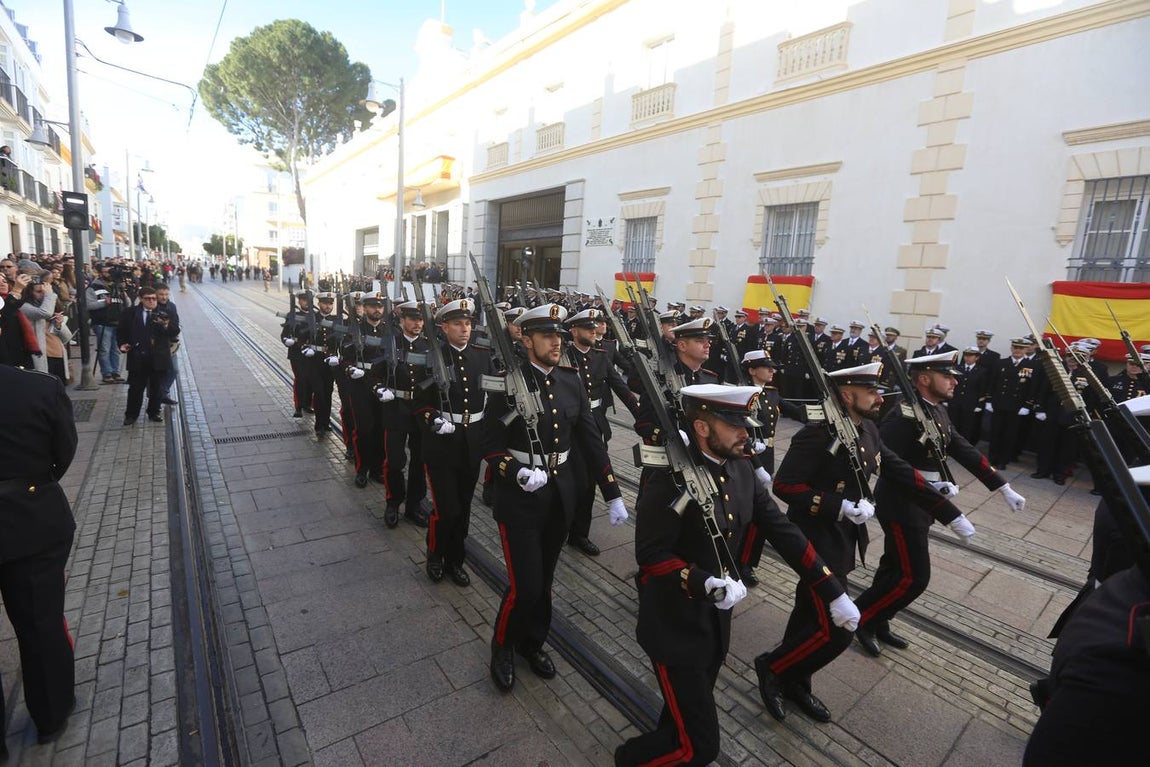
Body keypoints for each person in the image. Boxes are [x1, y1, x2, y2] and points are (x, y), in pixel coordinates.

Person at [616, 384, 849, 767]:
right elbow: (651, 555)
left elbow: (782, 530)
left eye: (747, 423)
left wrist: (831, 590)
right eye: (734, 425)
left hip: (715, 624)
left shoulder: (739, 468)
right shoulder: (670, 477)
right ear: (703, 428)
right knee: (700, 748)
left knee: (683, 720)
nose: (747, 433)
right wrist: (700, 582)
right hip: (674, 627)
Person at [753, 362, 966, 723]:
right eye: (871, 392)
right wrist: (839, 506)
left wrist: (949, 512)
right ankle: (772, 667)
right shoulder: (818, 434)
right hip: (814, 539)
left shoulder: (867, 428)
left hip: (844, 539)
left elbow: (899, 471)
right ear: (847, 394)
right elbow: (785, 486)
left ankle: (794, 681)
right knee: (837, 629)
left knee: (809, 612)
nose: (879, 398)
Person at [484, 303, 628, 692]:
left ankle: (533, 644)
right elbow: (490, 443)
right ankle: (502, 645)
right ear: (526, 339)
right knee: (524, 585)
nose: (556, 342)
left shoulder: (570, 380)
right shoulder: (506, 381)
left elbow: (590, 439)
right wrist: (514, 472)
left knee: (545, 581)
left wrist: (612, 491)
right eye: (547, 335)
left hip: (560, 492)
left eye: (559, 336)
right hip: (519, 497)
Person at [852, 351, 1026, 657]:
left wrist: (1002, 485)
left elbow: (962, 447)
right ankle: (861, 619)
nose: (954, 381)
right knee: (914, 577)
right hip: (902, 504)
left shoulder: (936, 411)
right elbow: (883, 462)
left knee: (894, 567)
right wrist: (931, 486)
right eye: (947, 375)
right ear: (924, 379)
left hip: (924, 504)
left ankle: (879, 620)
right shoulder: (904, 415)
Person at [0, 362, 78, 753]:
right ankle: (50, 715)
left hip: (32, 522)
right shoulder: (38, 387)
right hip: (31, 519)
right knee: (41, 622)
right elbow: (62, 451)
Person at [416, 298, 493, 586]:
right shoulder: (432, 356)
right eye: (458, 324)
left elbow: (494, 398)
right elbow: (420, 403)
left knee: (463, 509)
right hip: (441, 445)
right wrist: (433, 419)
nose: (465, 329)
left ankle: (455, 561)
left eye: (468, 323)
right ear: (444, 326)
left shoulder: (482, 356)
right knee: (446, 509)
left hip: (472, 443)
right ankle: (435, 555)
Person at [373, 300, 430, 528]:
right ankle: (393, 501)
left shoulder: (430, 346)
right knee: (395, 460)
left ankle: (414, 505)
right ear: (402, 320)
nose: (417, 324)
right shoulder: (390, 343)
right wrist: (379, 389)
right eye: (413, 319)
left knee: (419, 461)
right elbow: (375, 374)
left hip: (420, 411)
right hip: (396, 409)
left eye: (420, 319)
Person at [117, 287, 177, 425]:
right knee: (136, 388)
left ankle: (154, 412)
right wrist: (122, 344)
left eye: (153, 298)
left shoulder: (166, 312)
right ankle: (131, 415)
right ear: (141, 299)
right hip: (138, 357)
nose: (151, 301)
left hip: (159, 357)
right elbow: (121, 332)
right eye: (147, 298)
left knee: (157, 388)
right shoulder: (130, 313)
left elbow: (175, 330)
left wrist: (166, 325)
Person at [986, 337, 1040, 468]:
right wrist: (988, 400)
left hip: (1017, 407)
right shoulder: (1001, 363)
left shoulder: (1033, 366)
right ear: (1011, 348)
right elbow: (992, 383)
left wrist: (1027, 405)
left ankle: (1003, 460)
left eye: (1021, 348)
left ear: (1026, 349)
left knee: (1010, 435)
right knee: (995, 432)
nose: (1017, 350)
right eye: (1015, 347)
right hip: (999, 404)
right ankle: (992, 458)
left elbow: (1033, 388)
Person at [86, 264, 127, 383]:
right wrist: (104, 303)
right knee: (104, 349)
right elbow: (88, 305)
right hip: (102, 322)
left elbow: (126, 303)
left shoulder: (117, 287)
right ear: (100, 273)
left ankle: (116, 372)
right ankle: (107, 373)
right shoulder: (93, 287)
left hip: (117, 322)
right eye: (105, 272)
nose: (108, 275)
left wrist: (123, 291)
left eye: (110, 272)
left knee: (116, 349)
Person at [155, 284, 180, 405]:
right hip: (155, 344)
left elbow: (175, 326)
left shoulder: (172, 306)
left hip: (170, 343)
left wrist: (166, 325)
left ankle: (162, 393)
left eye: (166, 294)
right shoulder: (152, 307)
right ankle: (158, 398)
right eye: (161, 294)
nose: (164, 297)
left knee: (174, 370)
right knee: (159, 372)